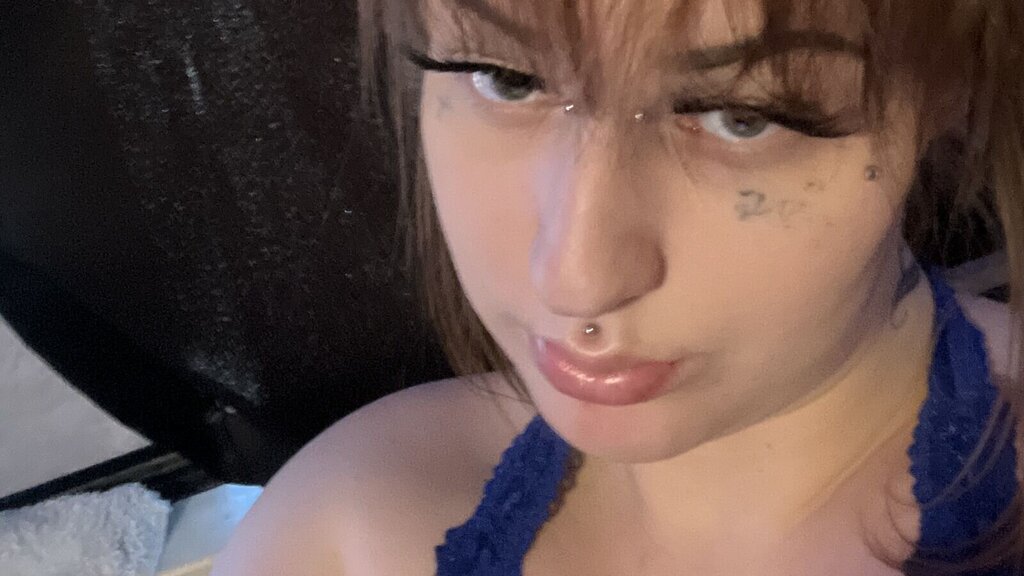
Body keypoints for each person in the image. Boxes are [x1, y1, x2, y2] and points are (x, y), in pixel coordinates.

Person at [212, 0, 1024, 573]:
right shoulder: (346, 531)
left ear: (950, 91)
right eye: (503, 77)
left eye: (744, 117)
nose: (576, 278)